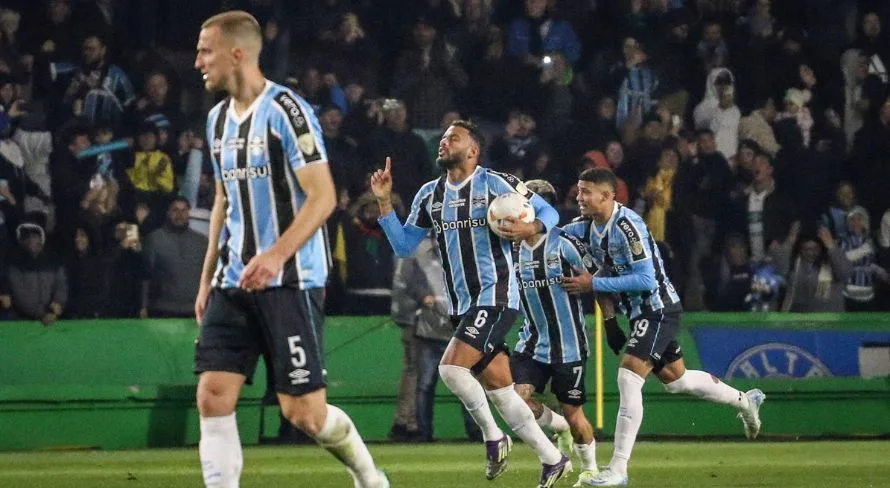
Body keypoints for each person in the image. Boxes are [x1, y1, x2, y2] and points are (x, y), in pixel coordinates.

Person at [192, 11, 388, 488]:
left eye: (206, 50)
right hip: (233, 282)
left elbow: (322, 197)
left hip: (291, 281)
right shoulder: (217, 120)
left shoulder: (287, 111)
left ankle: (369, 476)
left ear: (237, 54)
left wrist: (276, 254)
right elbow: (223, 200)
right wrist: (207, 277)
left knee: (304, 414)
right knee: (213, 395)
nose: (198, 60)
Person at [370, 119, 572, 487]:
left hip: (496, 296)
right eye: (444, 138)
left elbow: (550, 213)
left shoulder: (497, 183)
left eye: (453, 138)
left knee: (450, 369)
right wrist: (384, 202)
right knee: (503, 394)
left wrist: (531, 228)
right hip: (463, 306)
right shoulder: (429, 194)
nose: (444, 143)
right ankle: (553, 457)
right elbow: (403, 246)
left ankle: (493, 439)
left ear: (473, 150)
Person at [561, 168, 765, 486]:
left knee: (628, 377)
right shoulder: (588, 228)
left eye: (586, 191)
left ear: (607, 195)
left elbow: (644, 279)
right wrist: (610, 320)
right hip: (637, 313)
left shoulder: (628, 226)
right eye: (578, 190)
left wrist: (594, 283)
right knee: (676, 380)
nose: (579, 197)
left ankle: (618, 469)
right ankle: (745, 401)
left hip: (657, 309)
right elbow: (589, 262)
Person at [509, 180, 623, 487]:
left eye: (523, 204)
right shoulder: (513, 246)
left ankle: (589, 468)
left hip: (568, 344)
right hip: (531, 342)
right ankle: (557, 427)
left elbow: (596, 279)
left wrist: (610, 322)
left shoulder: (564, 244)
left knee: (576, 416)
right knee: (514, 401)